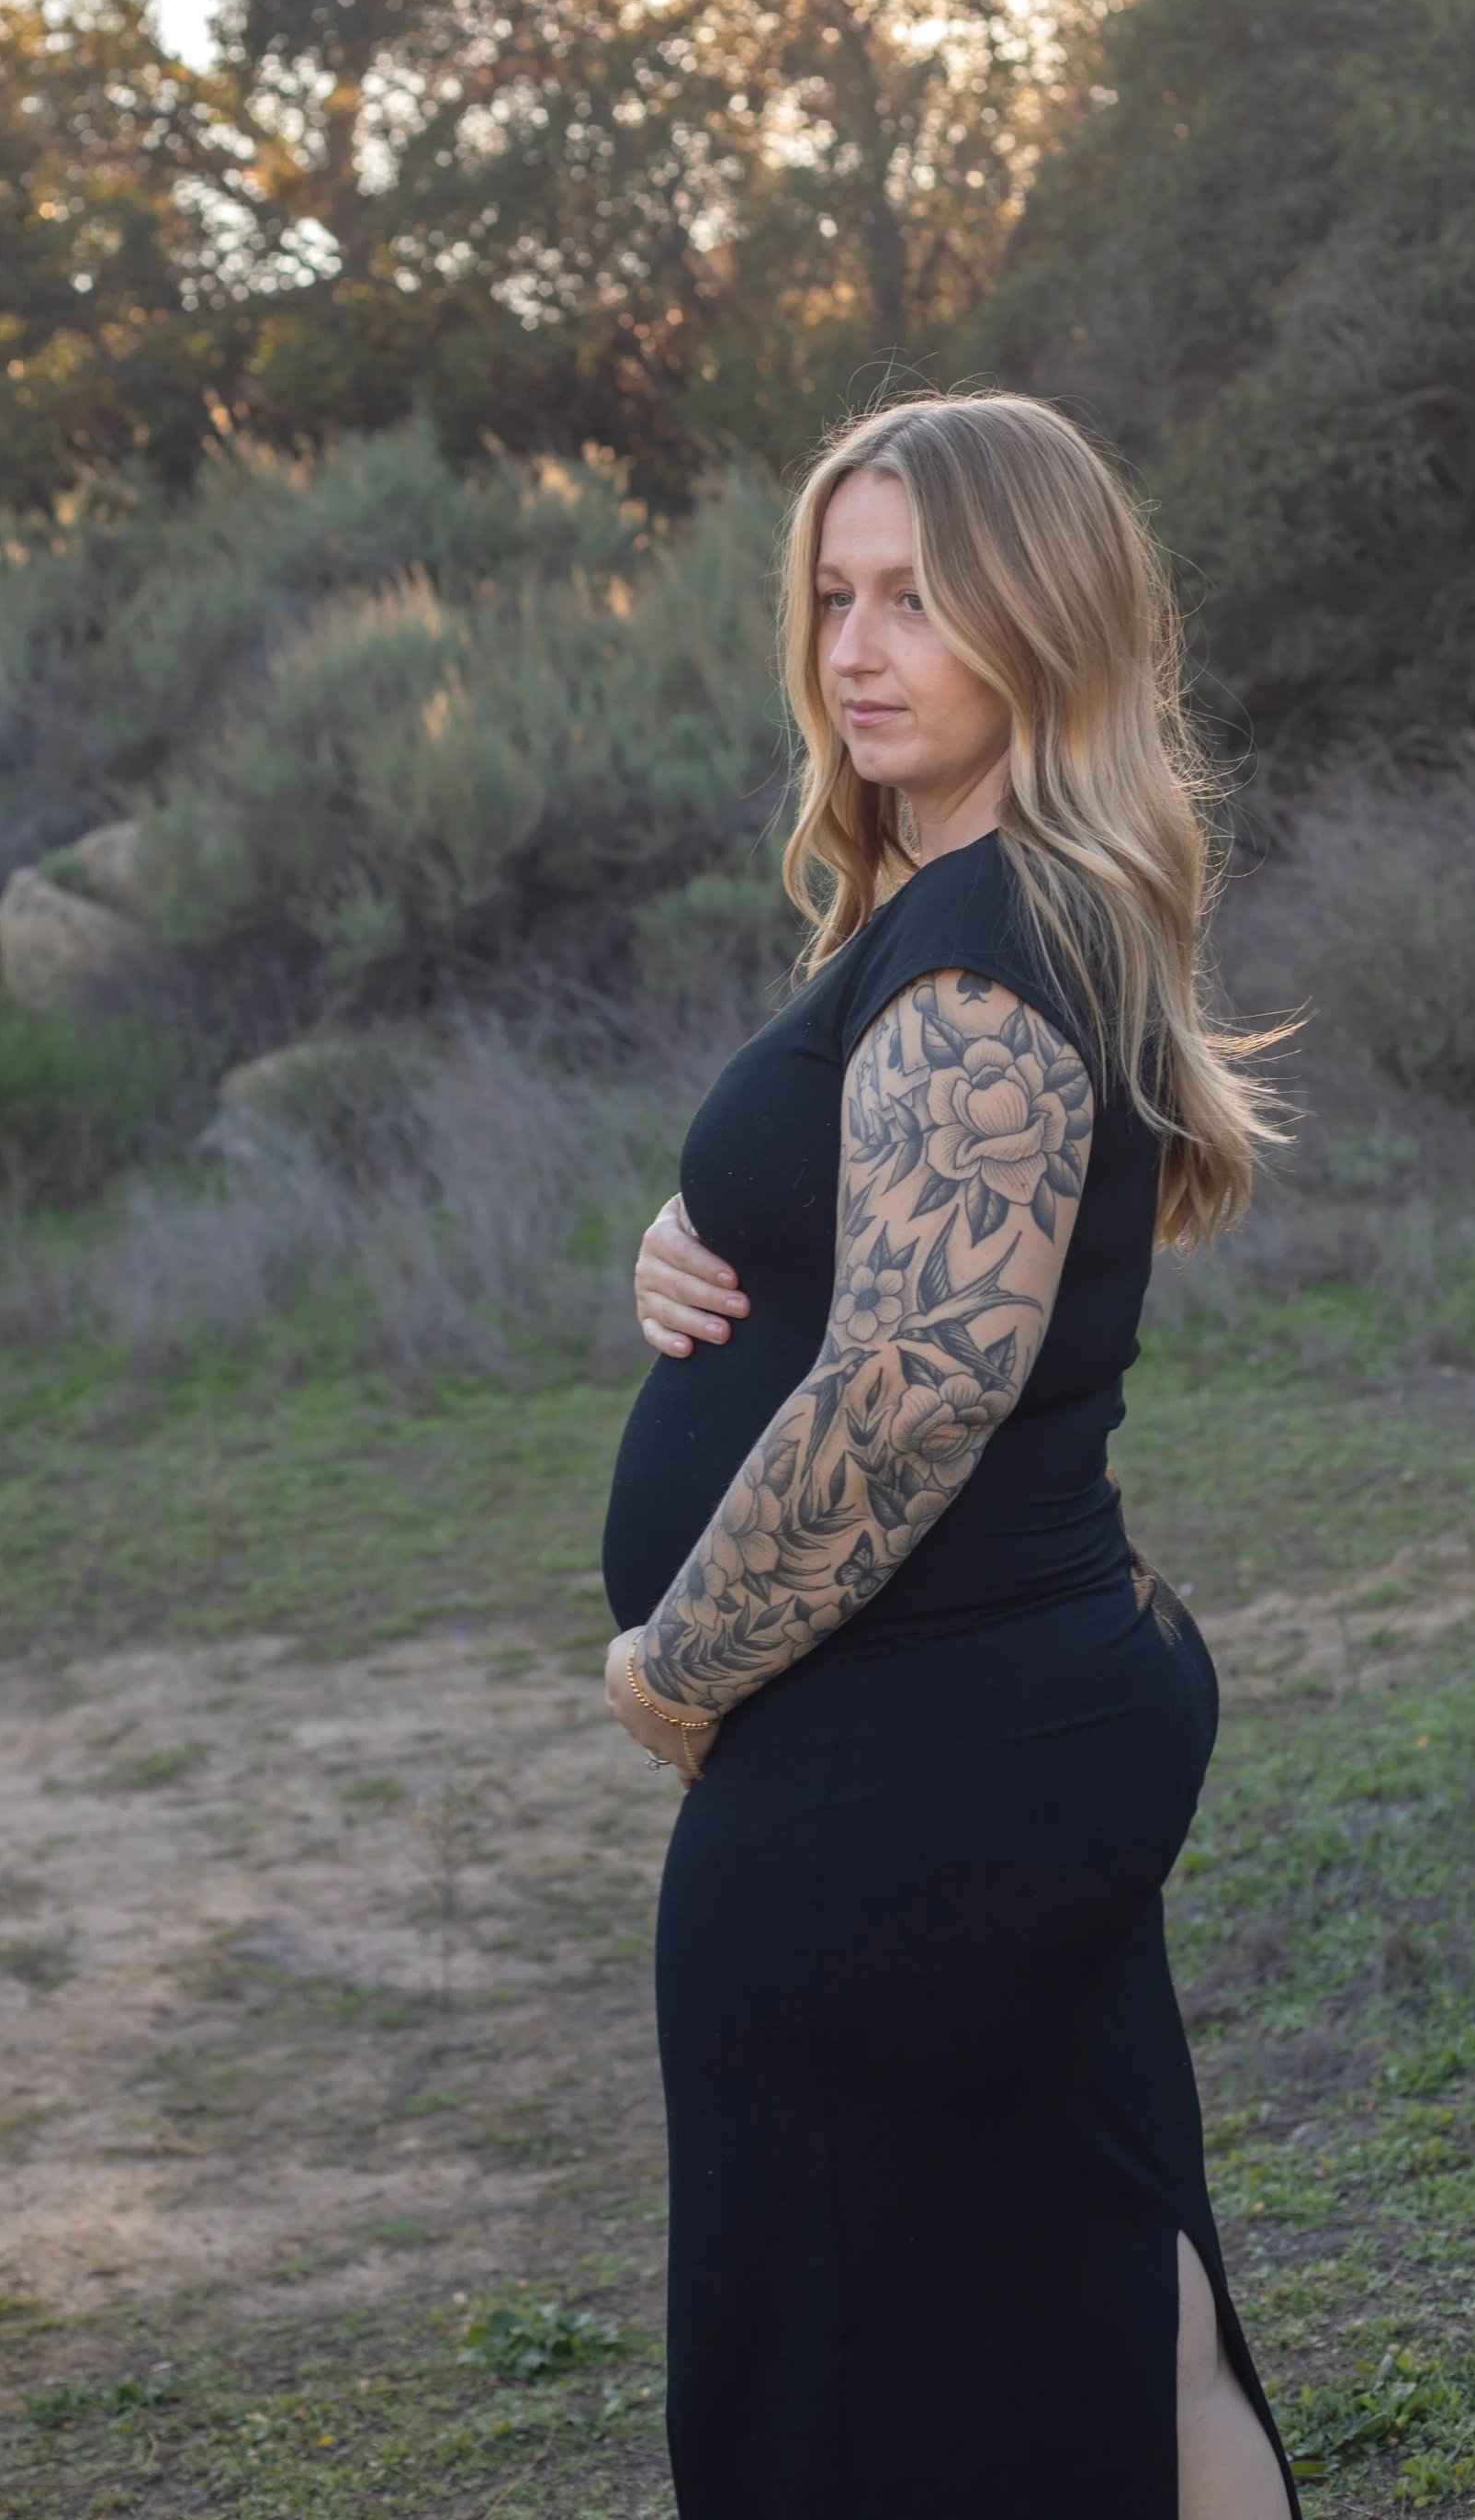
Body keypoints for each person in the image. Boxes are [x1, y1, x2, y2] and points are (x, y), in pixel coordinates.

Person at [598, 394, 1299, 2518]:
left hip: (901, 1761)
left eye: (918, 596)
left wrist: (676, 1665)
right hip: (1003, 1724)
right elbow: (893, 1272)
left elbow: (913, 1383)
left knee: (842, 2384)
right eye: (832, 594)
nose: (855, 645)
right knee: (1120, 2290)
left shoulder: (983, 947)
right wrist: (700, 1236)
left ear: (1043, 617)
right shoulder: (1003, 907)